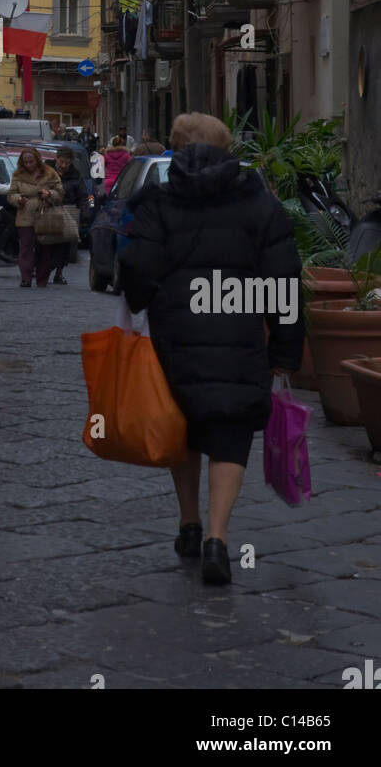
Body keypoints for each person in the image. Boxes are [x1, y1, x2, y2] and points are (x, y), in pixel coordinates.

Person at [119, 112, 304, 586]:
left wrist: (144, 301)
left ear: (176, 149)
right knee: (229, 431)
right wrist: (285, 351)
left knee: (185, 424)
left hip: (176, 336)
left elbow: (138, 270)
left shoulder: (157, 201)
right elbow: (282, 282)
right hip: (241, 339)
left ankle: (188, 523)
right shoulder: (258, 203)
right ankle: (217, 539)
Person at [7, 147, 63, 287]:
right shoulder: (18, 175)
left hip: (45, 214)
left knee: (44, 248)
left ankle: (42, 278)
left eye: (31, 162)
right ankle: (26, 278)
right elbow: (11, 194)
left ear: (37, 160)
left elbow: (60, 191)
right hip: (25, 215)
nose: (29, 165)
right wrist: (18, 199)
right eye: (26, 162)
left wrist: (49, 194)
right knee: (26, 247)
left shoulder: (50, 173)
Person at [47, 148, 86, 284]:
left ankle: (59, 273)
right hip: (49, 210)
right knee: (47, 241)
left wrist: (84, 215)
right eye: (61, 162)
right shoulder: (47, 170)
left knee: (65, 244)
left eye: (67, 163)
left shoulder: (75, 176)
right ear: (56, 159)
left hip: (68, 211)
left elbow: (82, 196)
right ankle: (45, 268)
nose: (63, 165)